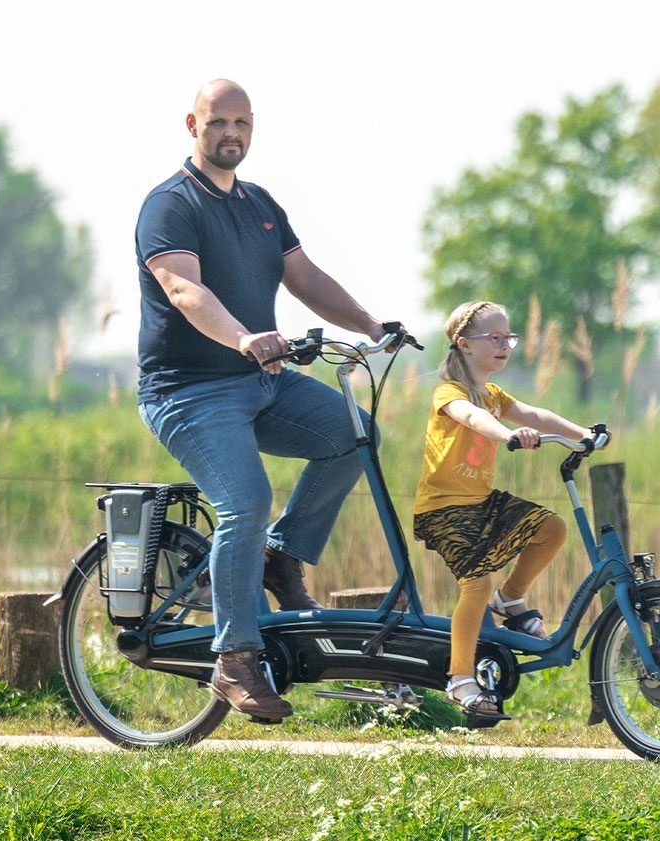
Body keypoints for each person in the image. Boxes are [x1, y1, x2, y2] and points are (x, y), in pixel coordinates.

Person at [135, 79, 394, 723]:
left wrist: (369, 324)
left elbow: (303, 276)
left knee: (353, 433)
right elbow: (183, 290)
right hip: (188, 391)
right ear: (191, 124)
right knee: (244, 501)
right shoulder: (169, 205)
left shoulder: (260, 204)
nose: (232, 134)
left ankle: (281, 558)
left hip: (263, 382)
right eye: (218, 121)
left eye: (242, 123)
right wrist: (245, 336)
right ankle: (235, 658)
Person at [412, 300, 601, 722]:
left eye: (508, 337)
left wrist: (583, 433)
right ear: (463, 344)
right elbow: (473, 419)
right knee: (474, 586)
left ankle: (511, 599)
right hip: (443, 510)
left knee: (551, 529)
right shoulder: (451, 393)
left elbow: (534, 412)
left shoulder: (494, 393)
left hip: (480, 502)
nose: (505, 345)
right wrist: (508, 434)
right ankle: (460, 679)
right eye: (494, 338)